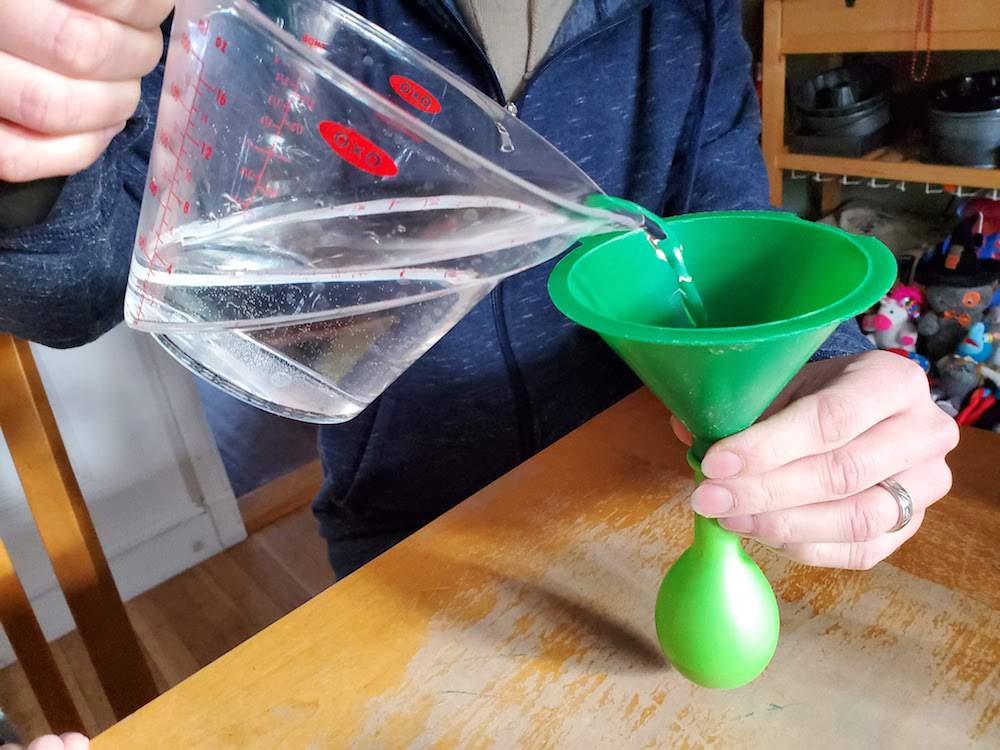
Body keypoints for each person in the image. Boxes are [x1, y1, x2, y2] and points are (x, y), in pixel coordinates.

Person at [0, 0, 956, 663]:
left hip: (646, 507)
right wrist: (28, 151)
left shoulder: (684, 18)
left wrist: (820, 379)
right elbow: (76, 287)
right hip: (412, 531)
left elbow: (718, 241)